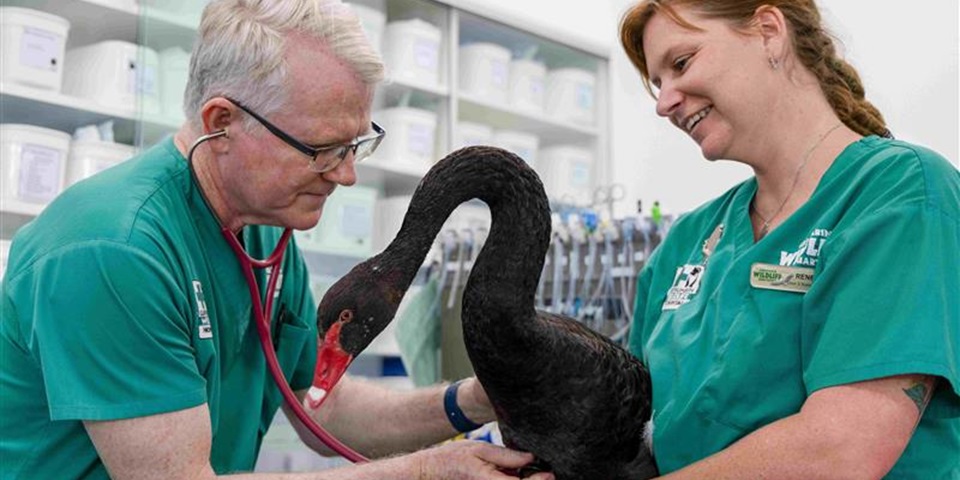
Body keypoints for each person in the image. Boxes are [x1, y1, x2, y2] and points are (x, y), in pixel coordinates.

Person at [0, 1, 553, 479]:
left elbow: (319, 407)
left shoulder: (265, 229)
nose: (346, 174)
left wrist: (473, 401)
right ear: (222, 121)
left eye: (356, 145)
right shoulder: (115, 252)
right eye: (322, 149)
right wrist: (424, 472)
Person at [619, 0, 959, 478]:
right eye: (657, 84)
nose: (664, 103)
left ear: (768, 31)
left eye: (681, 63)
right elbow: (629, 426)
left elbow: (843, 448)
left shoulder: (900, 191)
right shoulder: (686, 241)